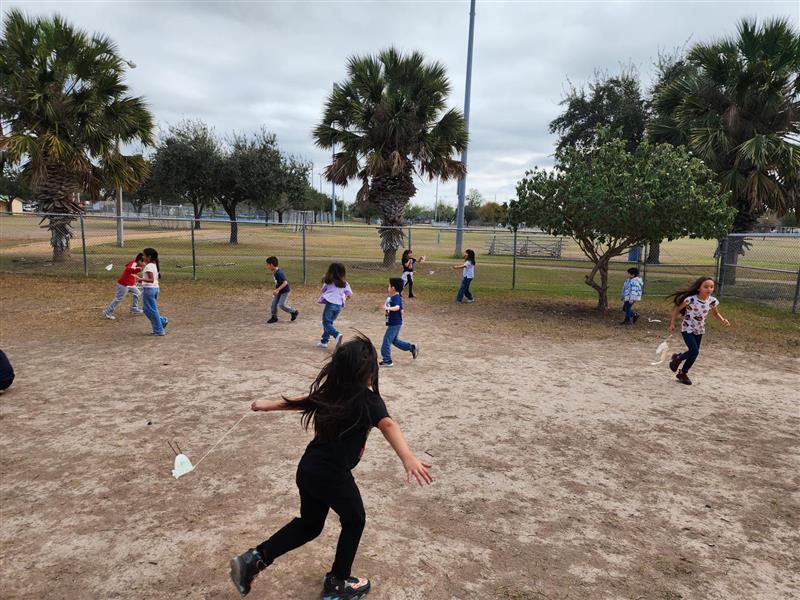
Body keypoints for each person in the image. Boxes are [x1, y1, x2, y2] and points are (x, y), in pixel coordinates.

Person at [229, 335, 433, 599]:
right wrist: (408, 458)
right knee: (355, 520)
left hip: (309, 469)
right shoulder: (369, 400)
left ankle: (253, 559)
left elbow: (305, 401)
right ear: (369, 370)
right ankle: (338, 582)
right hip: (332, 475)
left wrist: (268, 405)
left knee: (310, 525)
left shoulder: (332, 391)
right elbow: (388, 424)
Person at [668, 276, 730, 385]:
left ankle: (683, 373)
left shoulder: (712, 301)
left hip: (699, 329)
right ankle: (678, 358)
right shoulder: (691, 299)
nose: (709, 289)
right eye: (706, 287)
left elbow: (715, 313)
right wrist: (672, 323)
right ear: (698, 288)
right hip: (687, 328)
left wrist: (722, 320)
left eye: (711, 287)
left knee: (694, 353)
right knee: (694, 351)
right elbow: (677, 309)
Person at [379, 277, 419, 368]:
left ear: (393, 288)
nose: (388, 287)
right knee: (394, 340)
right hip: (395, 323)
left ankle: (387, 360)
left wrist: (387, 308)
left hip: (395, 323)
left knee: (386, 341)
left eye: (389, 286)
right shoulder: (394, 297)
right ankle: (411, 347)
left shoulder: (396, 297)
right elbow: (401, 310)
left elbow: (397, 307)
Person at [134, 247, 169, 336]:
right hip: (154, 289)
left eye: (144, 255)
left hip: (150, 290)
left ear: (149, 257)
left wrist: (140, 279)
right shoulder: (153, 265)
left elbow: (151, 280)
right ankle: (161, 322)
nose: (143, 257)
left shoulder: (149, 266)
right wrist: (142, 281)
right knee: (151, 309)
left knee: (149, 310)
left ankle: (159, 329)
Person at [317, 263, 352, 349]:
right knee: (329, 322)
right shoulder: (345, 283)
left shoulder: (329, 281)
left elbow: (323, 290)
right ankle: (324, 341)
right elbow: (349, 295)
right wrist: (344, 298)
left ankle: (336, 334)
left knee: (326, 322)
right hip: (339, 306)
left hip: (330, 304)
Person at [102, 253, 145, 319]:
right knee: (118, 299)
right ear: (139, 261)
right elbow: (129, 269)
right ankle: (108, 312)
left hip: (131, 285)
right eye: (143, 262)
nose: (144, 263)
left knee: (138, 293)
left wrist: (137, 279)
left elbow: (132, 273)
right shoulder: (134, 263)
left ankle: (134, 308)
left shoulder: (136, 264)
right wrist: (138, 269)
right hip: (123, 284)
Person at [265, 256, 299, 324]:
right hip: (279, 291)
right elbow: (278, 282)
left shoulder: (279, 273)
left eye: (267, 264)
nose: (267, 266)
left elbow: (285, 282)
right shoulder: (274, 272)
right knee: (273, 304)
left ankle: (294, 312)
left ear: (271, 265)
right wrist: (276, 290)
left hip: (285, 291)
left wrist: (277, 290)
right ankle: (274, 317)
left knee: (282, 304)